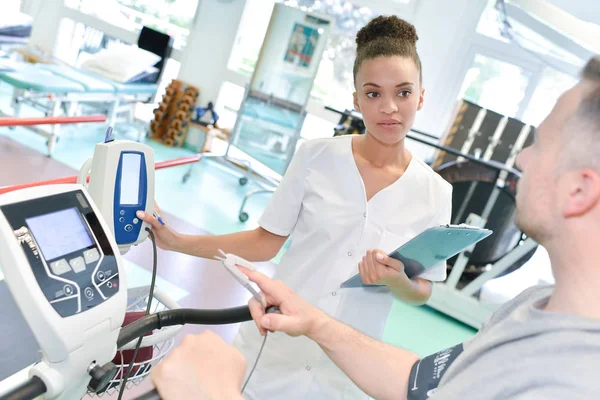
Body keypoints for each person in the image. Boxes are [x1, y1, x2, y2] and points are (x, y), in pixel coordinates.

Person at [149, 55, 600, 399]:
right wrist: (316, 324)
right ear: (357, 97)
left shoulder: (568, 376)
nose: (520, 159)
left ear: (580, 191)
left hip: (336, 374)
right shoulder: (526, 309)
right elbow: (420, 380)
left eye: (539, 144)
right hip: (284, 346)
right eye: (373, 93)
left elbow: (419, 297)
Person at [138, 15, 452, 400]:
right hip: (274, 348)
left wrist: (396, 281)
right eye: (373, 94)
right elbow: (265, 242)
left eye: (403, 93)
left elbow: (422, 289)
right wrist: (176, 242)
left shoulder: (436, 192)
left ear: (421, 97)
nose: (389, 107)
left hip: (347, 370)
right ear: (355, 99)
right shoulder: (316, 156)